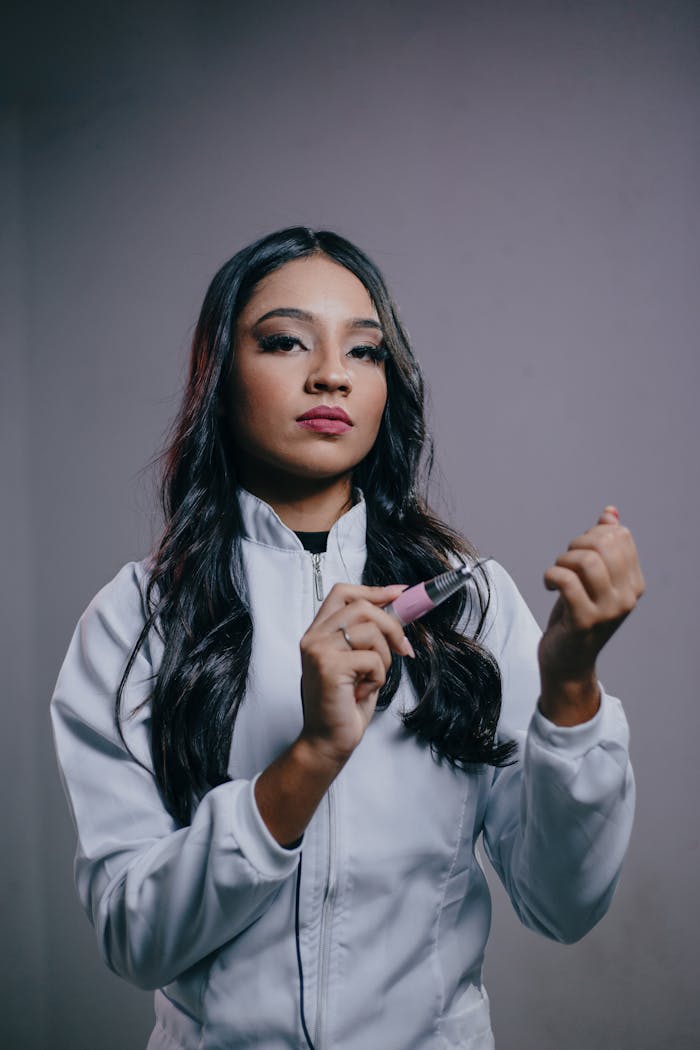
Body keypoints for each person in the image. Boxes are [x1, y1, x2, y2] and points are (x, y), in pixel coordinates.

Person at [50, 227, 644, 1050]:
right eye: (286, 341)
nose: (330, 372)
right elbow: (134, 937)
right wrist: (310, 758)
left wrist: (572, 685)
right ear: (218, 378)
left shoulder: (468, 604)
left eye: (364, 352)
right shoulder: (135, 620)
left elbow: (565, 904)